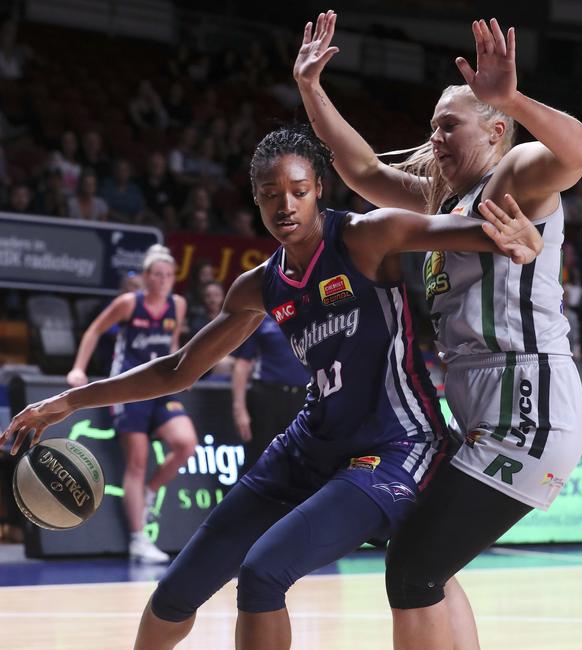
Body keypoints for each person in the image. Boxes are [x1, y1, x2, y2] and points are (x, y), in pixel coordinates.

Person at [1, 125, 542, 650]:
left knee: (263, 575)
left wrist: (510, 234)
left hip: (395, 446)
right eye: (269, 196)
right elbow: (178, 370)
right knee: (175, 593)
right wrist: (66, 401)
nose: (285, 205)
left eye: (298, 192)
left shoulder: (363, 236)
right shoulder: (261, 284)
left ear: (318, 191)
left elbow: (462, 230)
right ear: (255, 202)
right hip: (310, 445)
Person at [294, 12, 582, 649]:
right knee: (419, 558)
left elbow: (579, 152)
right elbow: (364, 174)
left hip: (526, 401)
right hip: (485, 404)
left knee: (411, 567)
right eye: (431, 127)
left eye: (448, 125)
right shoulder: (440, 204)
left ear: (494, 131)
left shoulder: (513, 176)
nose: (434, 139)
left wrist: (511, 96)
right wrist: (311, 90)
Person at [64, 243, 198, 563]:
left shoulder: (177, 305)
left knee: (186, 443)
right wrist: (78, 368)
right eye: (157, 274)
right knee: (136, 461)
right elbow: (94, 330)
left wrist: (184, 373)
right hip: (128, 389)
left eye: (168, 275)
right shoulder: (128, 303)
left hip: (162, 387)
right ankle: (138, 539)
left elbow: (174, 343)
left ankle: (150, 492)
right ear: (146, 277)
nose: (163, 280)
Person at [231, 314, 311, 471]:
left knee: (302, 462)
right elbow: (242, 364)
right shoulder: (261, 318)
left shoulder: (313, 315)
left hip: (304, 398)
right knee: (258, 459)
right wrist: (239, 409)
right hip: (267, 396)